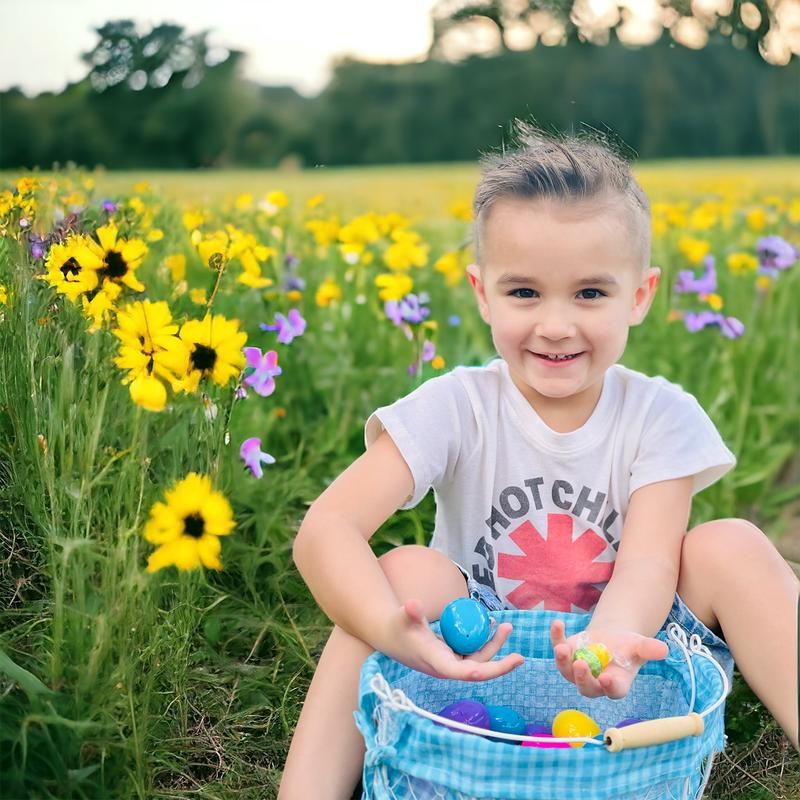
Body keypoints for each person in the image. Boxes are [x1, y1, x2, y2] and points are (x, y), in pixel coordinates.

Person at [278, 127, 799, 799]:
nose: (555, 325)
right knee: (405, 574)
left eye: (590, 294)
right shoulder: (457, 405)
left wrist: (606, 644)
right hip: (478, 664)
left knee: (731, 546)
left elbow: (647, 564)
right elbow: (326, 529)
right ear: (482, 292)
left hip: (622, 668)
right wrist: (389, 630)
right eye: (524, 292)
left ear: (640, 296)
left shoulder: (661, 414)